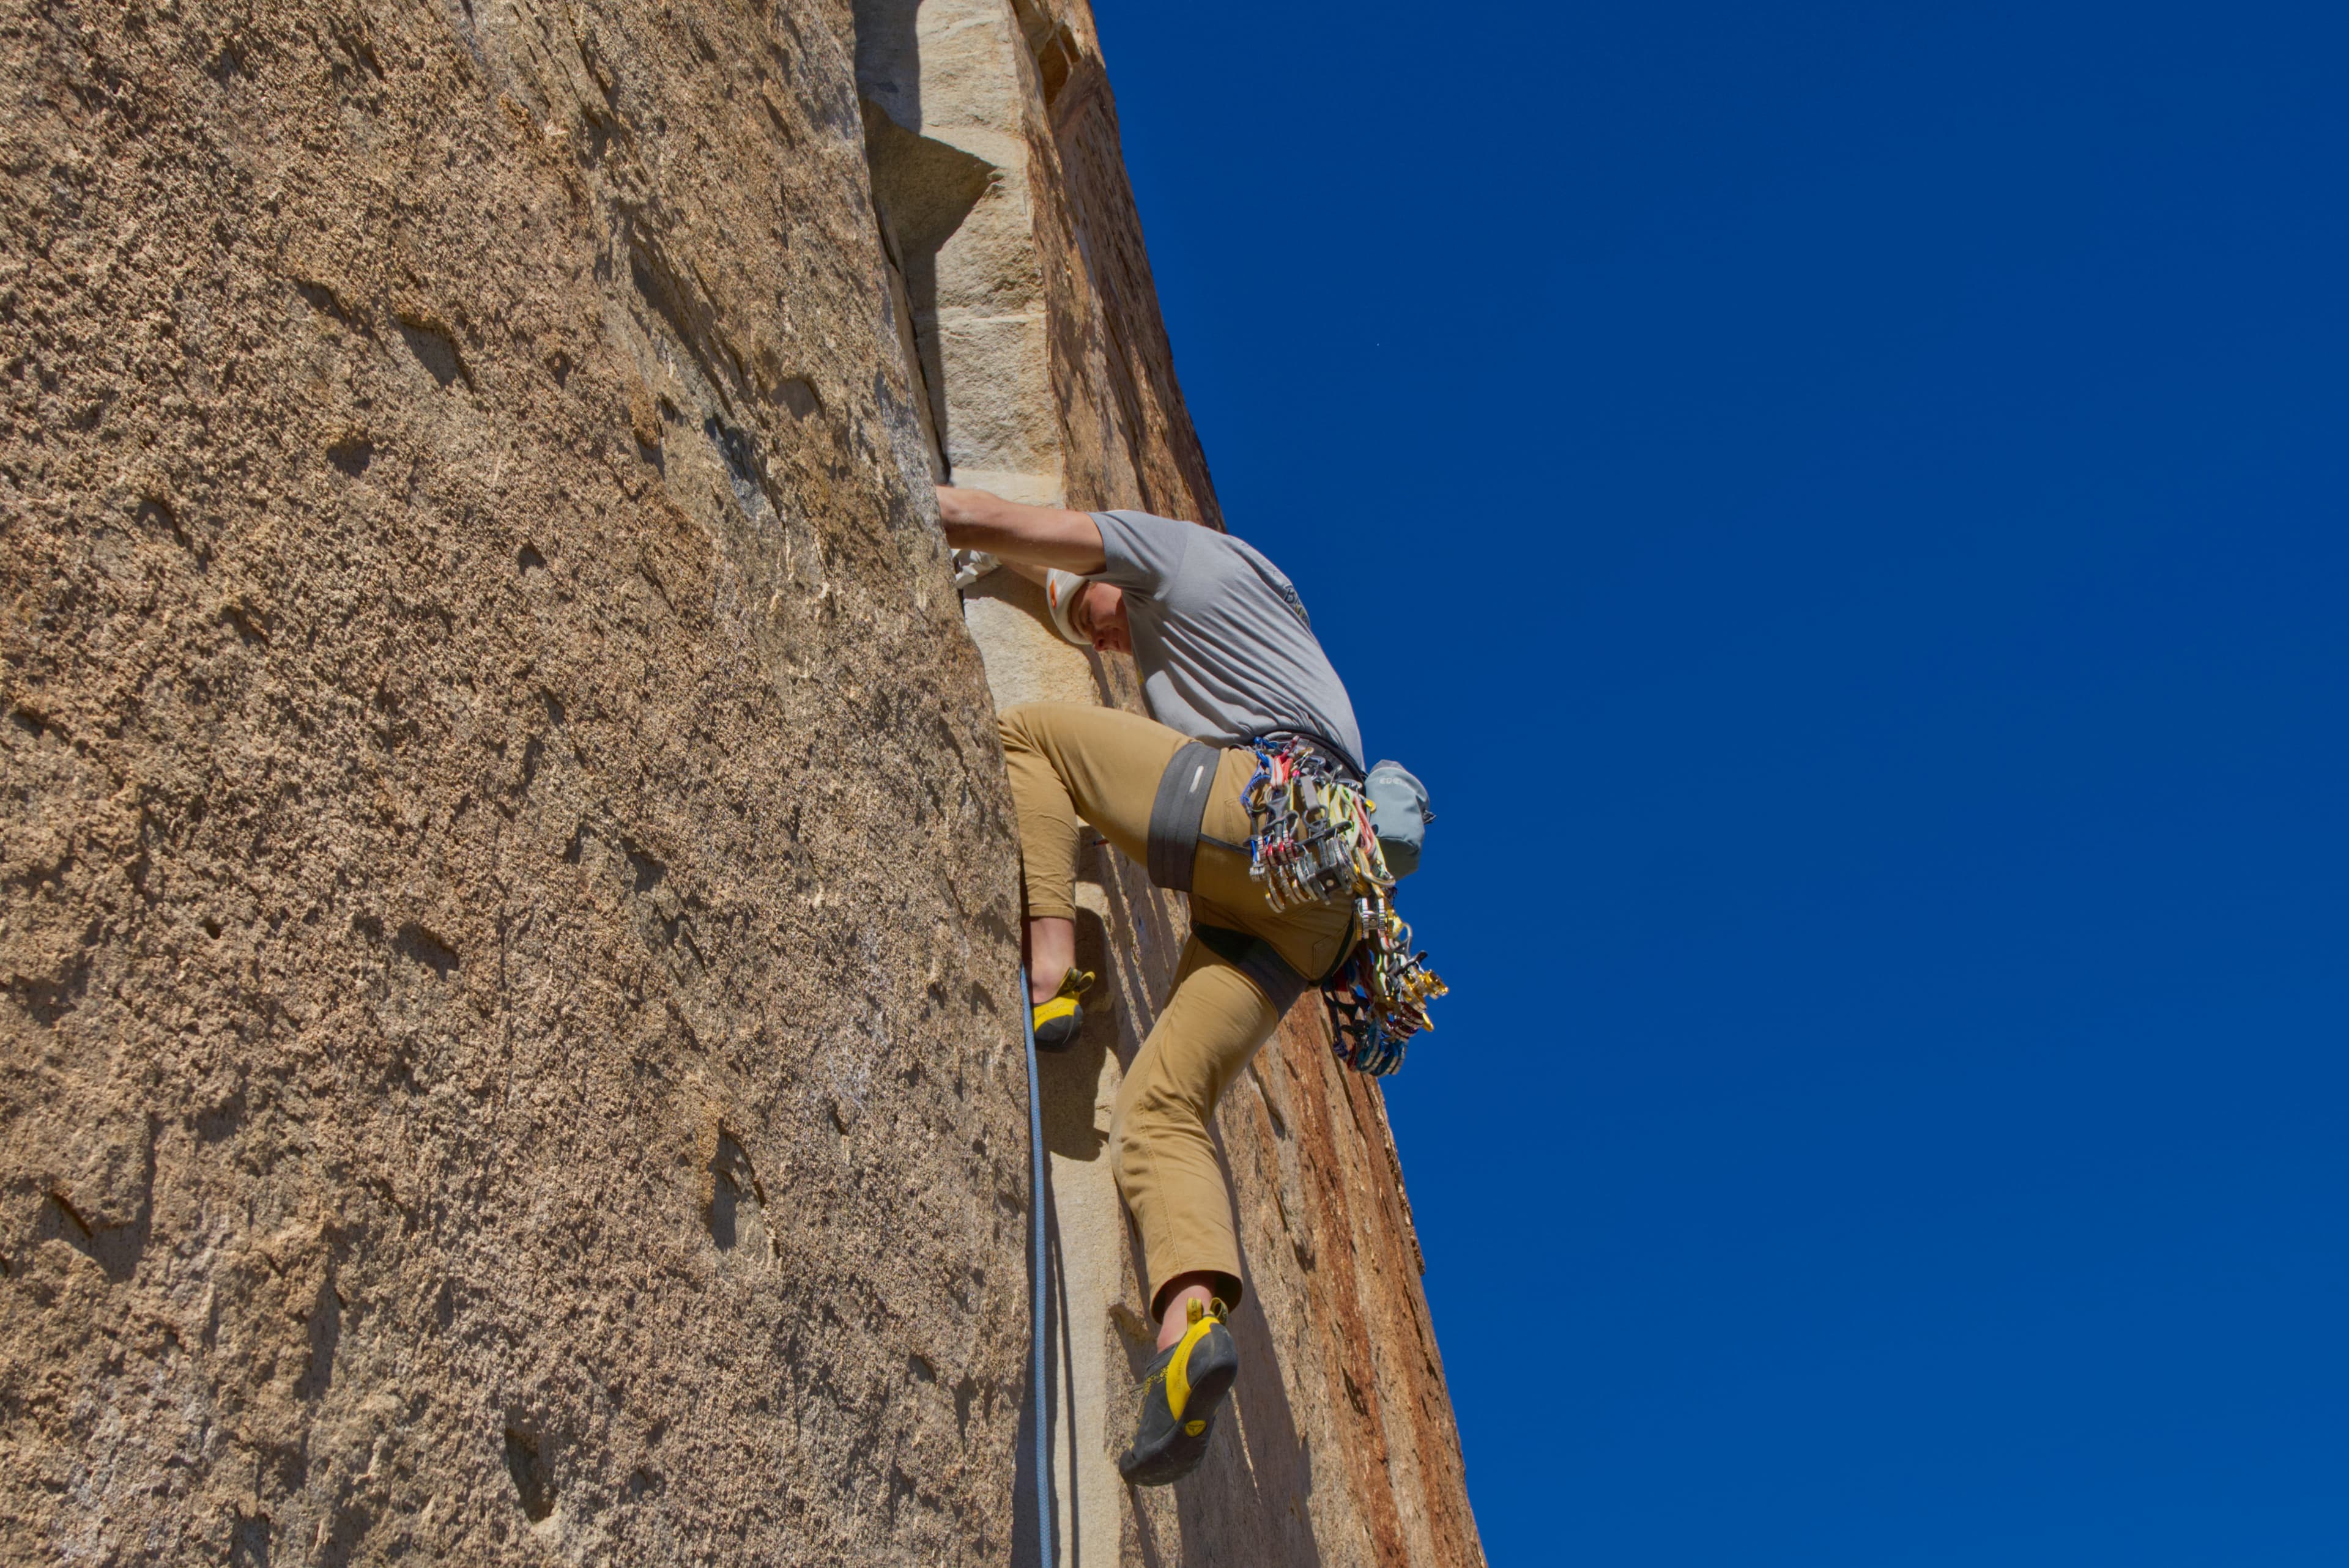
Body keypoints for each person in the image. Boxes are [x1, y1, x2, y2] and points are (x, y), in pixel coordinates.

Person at [935, 483, 1432, 1487]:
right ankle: (1187, 1334)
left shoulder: (1175, 549)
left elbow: (1015, 528)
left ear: (1135, 575)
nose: (1106, 640)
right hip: (1317, 919)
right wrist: (1051, 591)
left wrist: (918, 486)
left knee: (1035, 739)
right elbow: (1080, 595)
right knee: (1164, 1107)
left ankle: (1052, 969)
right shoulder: (1280, 636)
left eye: (1108, 614)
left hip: (1261, 818)